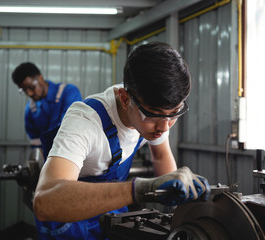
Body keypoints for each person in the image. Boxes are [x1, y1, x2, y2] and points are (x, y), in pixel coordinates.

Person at [33, 42, 211, 239]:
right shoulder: (84, 122)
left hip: (111, 213)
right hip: (69, 221)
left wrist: (182, 206)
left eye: (174, 114)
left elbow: (160, 156)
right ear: (125, 99)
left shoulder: (156, 107)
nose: (164, 127)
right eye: (154, 116)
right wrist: (141, 189)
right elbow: (45, 202)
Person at [12, 62, 82, 147]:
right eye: (25, 91)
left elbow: (68, 129)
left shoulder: (69, 92)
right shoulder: (31, 109)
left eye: (31, 87)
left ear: (40, 79)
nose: (29, 94)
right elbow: (36, 141)